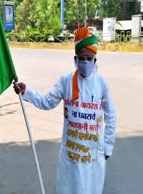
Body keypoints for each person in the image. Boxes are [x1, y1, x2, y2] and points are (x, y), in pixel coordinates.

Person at [13, 27, 116, 194]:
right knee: (69, 189)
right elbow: (47, 102)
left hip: (93, 154)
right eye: (81, 58)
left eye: (88, 58)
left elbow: (111, 116)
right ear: (75, 60)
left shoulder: (101, 84)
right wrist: (27, 92)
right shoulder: (65, 81)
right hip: (71, 153)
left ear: (95, 61)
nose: (85, 62)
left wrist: (108, 147)